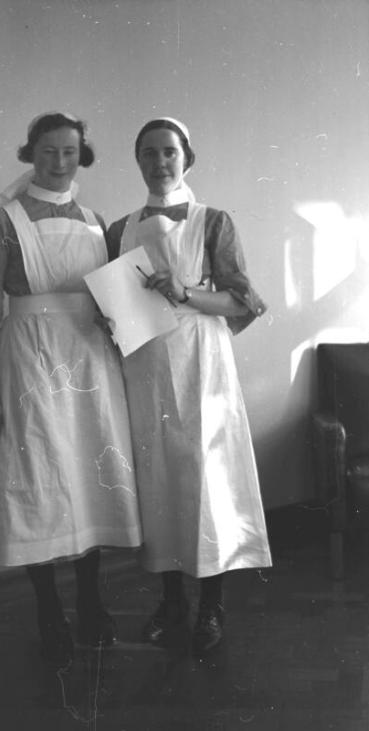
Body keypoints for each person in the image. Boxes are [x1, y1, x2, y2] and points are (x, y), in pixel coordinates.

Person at [0, 112, 142, 666]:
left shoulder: (98, 221)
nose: (59, 162)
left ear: (81, 155)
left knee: (91, 478)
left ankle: (90, 602)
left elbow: (119, 306)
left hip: (90, 364)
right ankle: (49, 609)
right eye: (48, 152)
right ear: (31, 153)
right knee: (40, 478)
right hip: (31, 362)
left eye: (69, 152)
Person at [106, 117, 272, 655]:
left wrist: (185, 293)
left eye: (170, 153)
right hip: (147, 365)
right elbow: (113, 304)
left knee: (206, 477)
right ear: (138, 161)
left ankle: (212, 607)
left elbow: (243, 301)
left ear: (187, 158)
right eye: (149, 153)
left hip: (201, 361)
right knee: (159, 479)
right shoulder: (120, 228)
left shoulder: (212, 221)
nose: (160, 163)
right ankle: (170, 602)